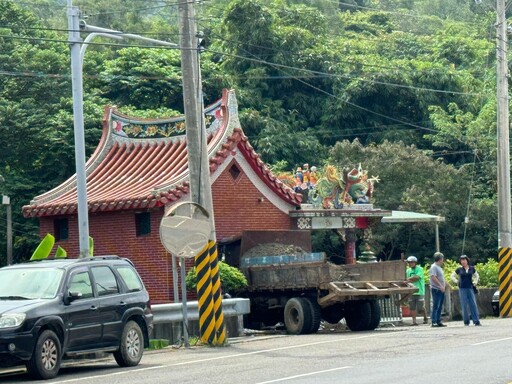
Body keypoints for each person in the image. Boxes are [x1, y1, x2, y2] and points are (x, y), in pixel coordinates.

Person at [450, 255, 481, 326]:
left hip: (470, 288)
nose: (463, 262)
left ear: (467, 260)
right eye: (461, 260)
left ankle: (476, 321)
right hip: (462, 288)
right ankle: (466, 321)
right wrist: (456, 281)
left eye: (464, 260)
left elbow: (476, 275)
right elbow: (452, 276)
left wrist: (475, 282)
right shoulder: (459, 269)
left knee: (473, 304)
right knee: (464, 305)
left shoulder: (472, 268)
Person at [406, 256, 428, 325]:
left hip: (419, 291)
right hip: (411, 291)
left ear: (415, 263)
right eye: (410, 263)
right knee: (412, 307)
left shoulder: (419, 269)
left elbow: (417, 277)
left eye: (412, 262)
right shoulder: (408, 271)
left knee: (420, 307)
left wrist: (408, 279)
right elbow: (405, 279)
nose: (411, 264)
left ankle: (425, 317)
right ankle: (414, 321)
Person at [429, 252, 447, 327]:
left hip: (441, 289)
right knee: (436, 305)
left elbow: (442, 278)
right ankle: (434, 321)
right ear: (440, 259)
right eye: (442, 258)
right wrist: (440, 286)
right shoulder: (434, 267)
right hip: (436, 288)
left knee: (440, 306)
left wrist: (446, 285)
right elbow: (433, 277)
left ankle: (438, 320)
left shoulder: (439, 267)